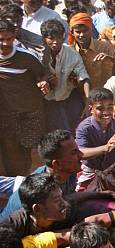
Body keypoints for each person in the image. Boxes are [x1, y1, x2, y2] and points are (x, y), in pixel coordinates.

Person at [0, 19, 50, 176]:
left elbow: (43, 74)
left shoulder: (27, 57)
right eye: (1, 39)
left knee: (34, 152)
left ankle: (38, 182)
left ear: (14, 36)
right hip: (6, 115)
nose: (5, 43)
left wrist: (43, 82)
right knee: (11, 152)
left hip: (30, 113)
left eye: (9, 39)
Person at [0, 130, 82, 220]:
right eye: (74, 153)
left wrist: (97, 194)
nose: (81, 154)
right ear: (57, 164)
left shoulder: (67, 170)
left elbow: (69, 197)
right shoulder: (41, 192)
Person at [75, 88, 115, 192]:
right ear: (91, 109)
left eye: (109, 108)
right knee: (83, 202)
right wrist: (106, 148)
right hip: (90, 172)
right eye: (100, 108)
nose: (106, 113)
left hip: (112, 169)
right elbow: (80, 152)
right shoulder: (84, 128)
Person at [41, 19, 90, 131]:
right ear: (44, 39)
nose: (55, 42)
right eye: (51, 38)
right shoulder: (38, 55)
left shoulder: (71, 53)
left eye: (59, 37)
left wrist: (87, 101)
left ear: (64, 36)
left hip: (67, 99)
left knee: (73, 130)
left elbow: (83, 77)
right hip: (46, 102)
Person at [69, 12, 115, 90]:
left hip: (104, 93)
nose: (82, 35)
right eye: (78, 32)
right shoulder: (69, 51)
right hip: (80, 95)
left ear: (91, 29)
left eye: (85, 31)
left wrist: (111, 59)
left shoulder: (105, 47)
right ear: (72, 33)